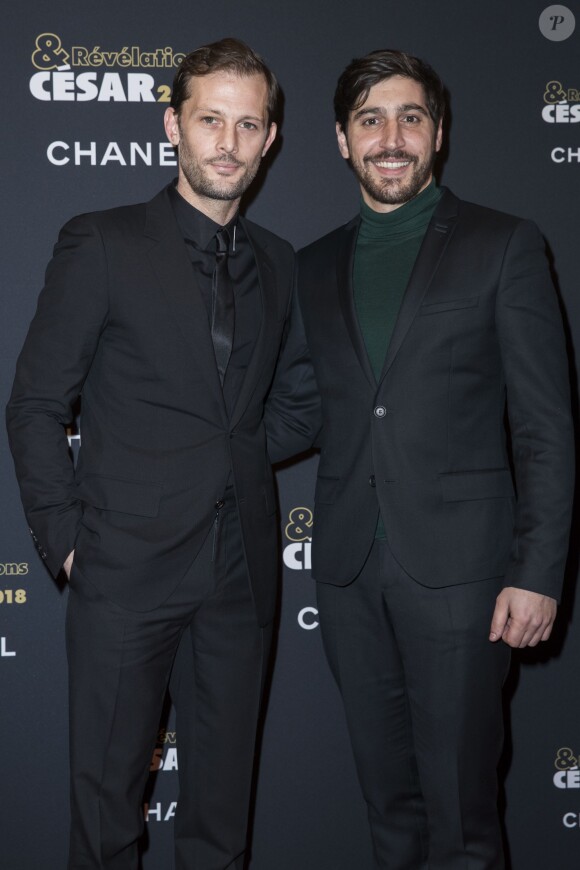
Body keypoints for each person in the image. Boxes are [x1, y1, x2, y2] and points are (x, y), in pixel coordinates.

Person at [6, 38, 318, 870]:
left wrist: (237, 458)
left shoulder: (281, 264)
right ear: (172, 125)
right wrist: (69, 540)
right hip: (123, 569)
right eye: (210, 119)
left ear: (271, 138)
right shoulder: (101, 242)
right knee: (107, 819)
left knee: (221, 822)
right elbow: (37, 404)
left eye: (247, 124)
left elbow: (295, 402)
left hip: (242, 570)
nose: (228, 141)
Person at [297, 49, 574, 869]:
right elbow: (302, 411)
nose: (391, 137)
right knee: (390, 811)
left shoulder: (505, 245)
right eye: (370, 120)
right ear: (342, 141)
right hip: (348, 575)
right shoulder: (311, 266)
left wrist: (539, 571)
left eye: (410, 118)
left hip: (467, 580)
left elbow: (546, 425)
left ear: (439, 134)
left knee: (462, 818)